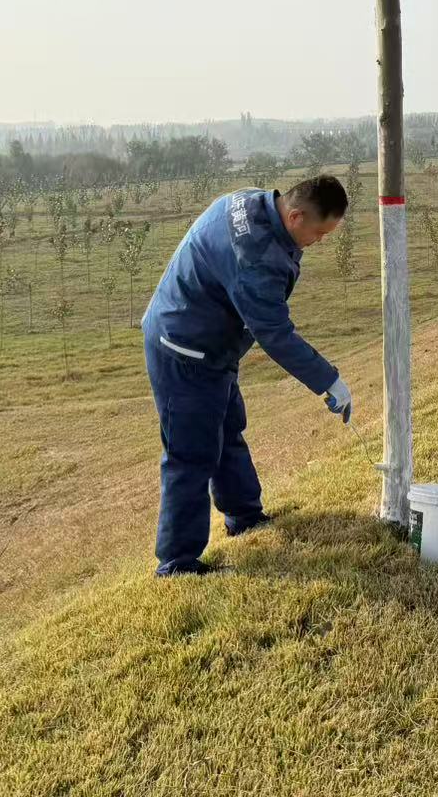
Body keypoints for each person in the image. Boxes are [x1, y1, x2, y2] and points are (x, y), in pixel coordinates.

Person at [142, 176, 353, 577]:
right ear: (296, 216)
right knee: (190, 454)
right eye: (320, 233)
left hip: (209, 342)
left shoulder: (251, 201)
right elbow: (275, 334)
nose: (320, 242)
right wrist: (329, 380)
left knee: (227, 429)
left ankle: (244, 516)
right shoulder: (256, 258)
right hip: (184, 349)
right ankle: (177, 563)